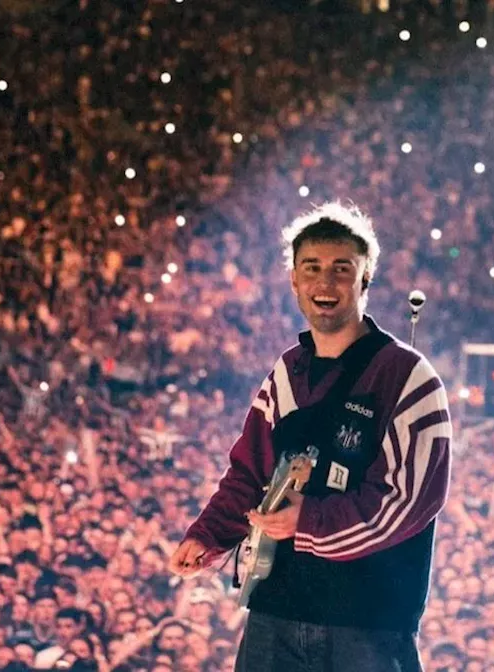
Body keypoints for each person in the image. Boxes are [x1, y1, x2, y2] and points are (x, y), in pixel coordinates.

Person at [166, 202, 453, 671]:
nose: (326, 282)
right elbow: (249, 473)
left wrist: (311, 520)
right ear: (294, 281)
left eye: (343, 269)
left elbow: (410, 501)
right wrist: (210, 534)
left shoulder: (408, 377)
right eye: (312, 268)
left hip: (368, 625)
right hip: (276, 612)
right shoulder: (286, 372)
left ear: (365, 280)